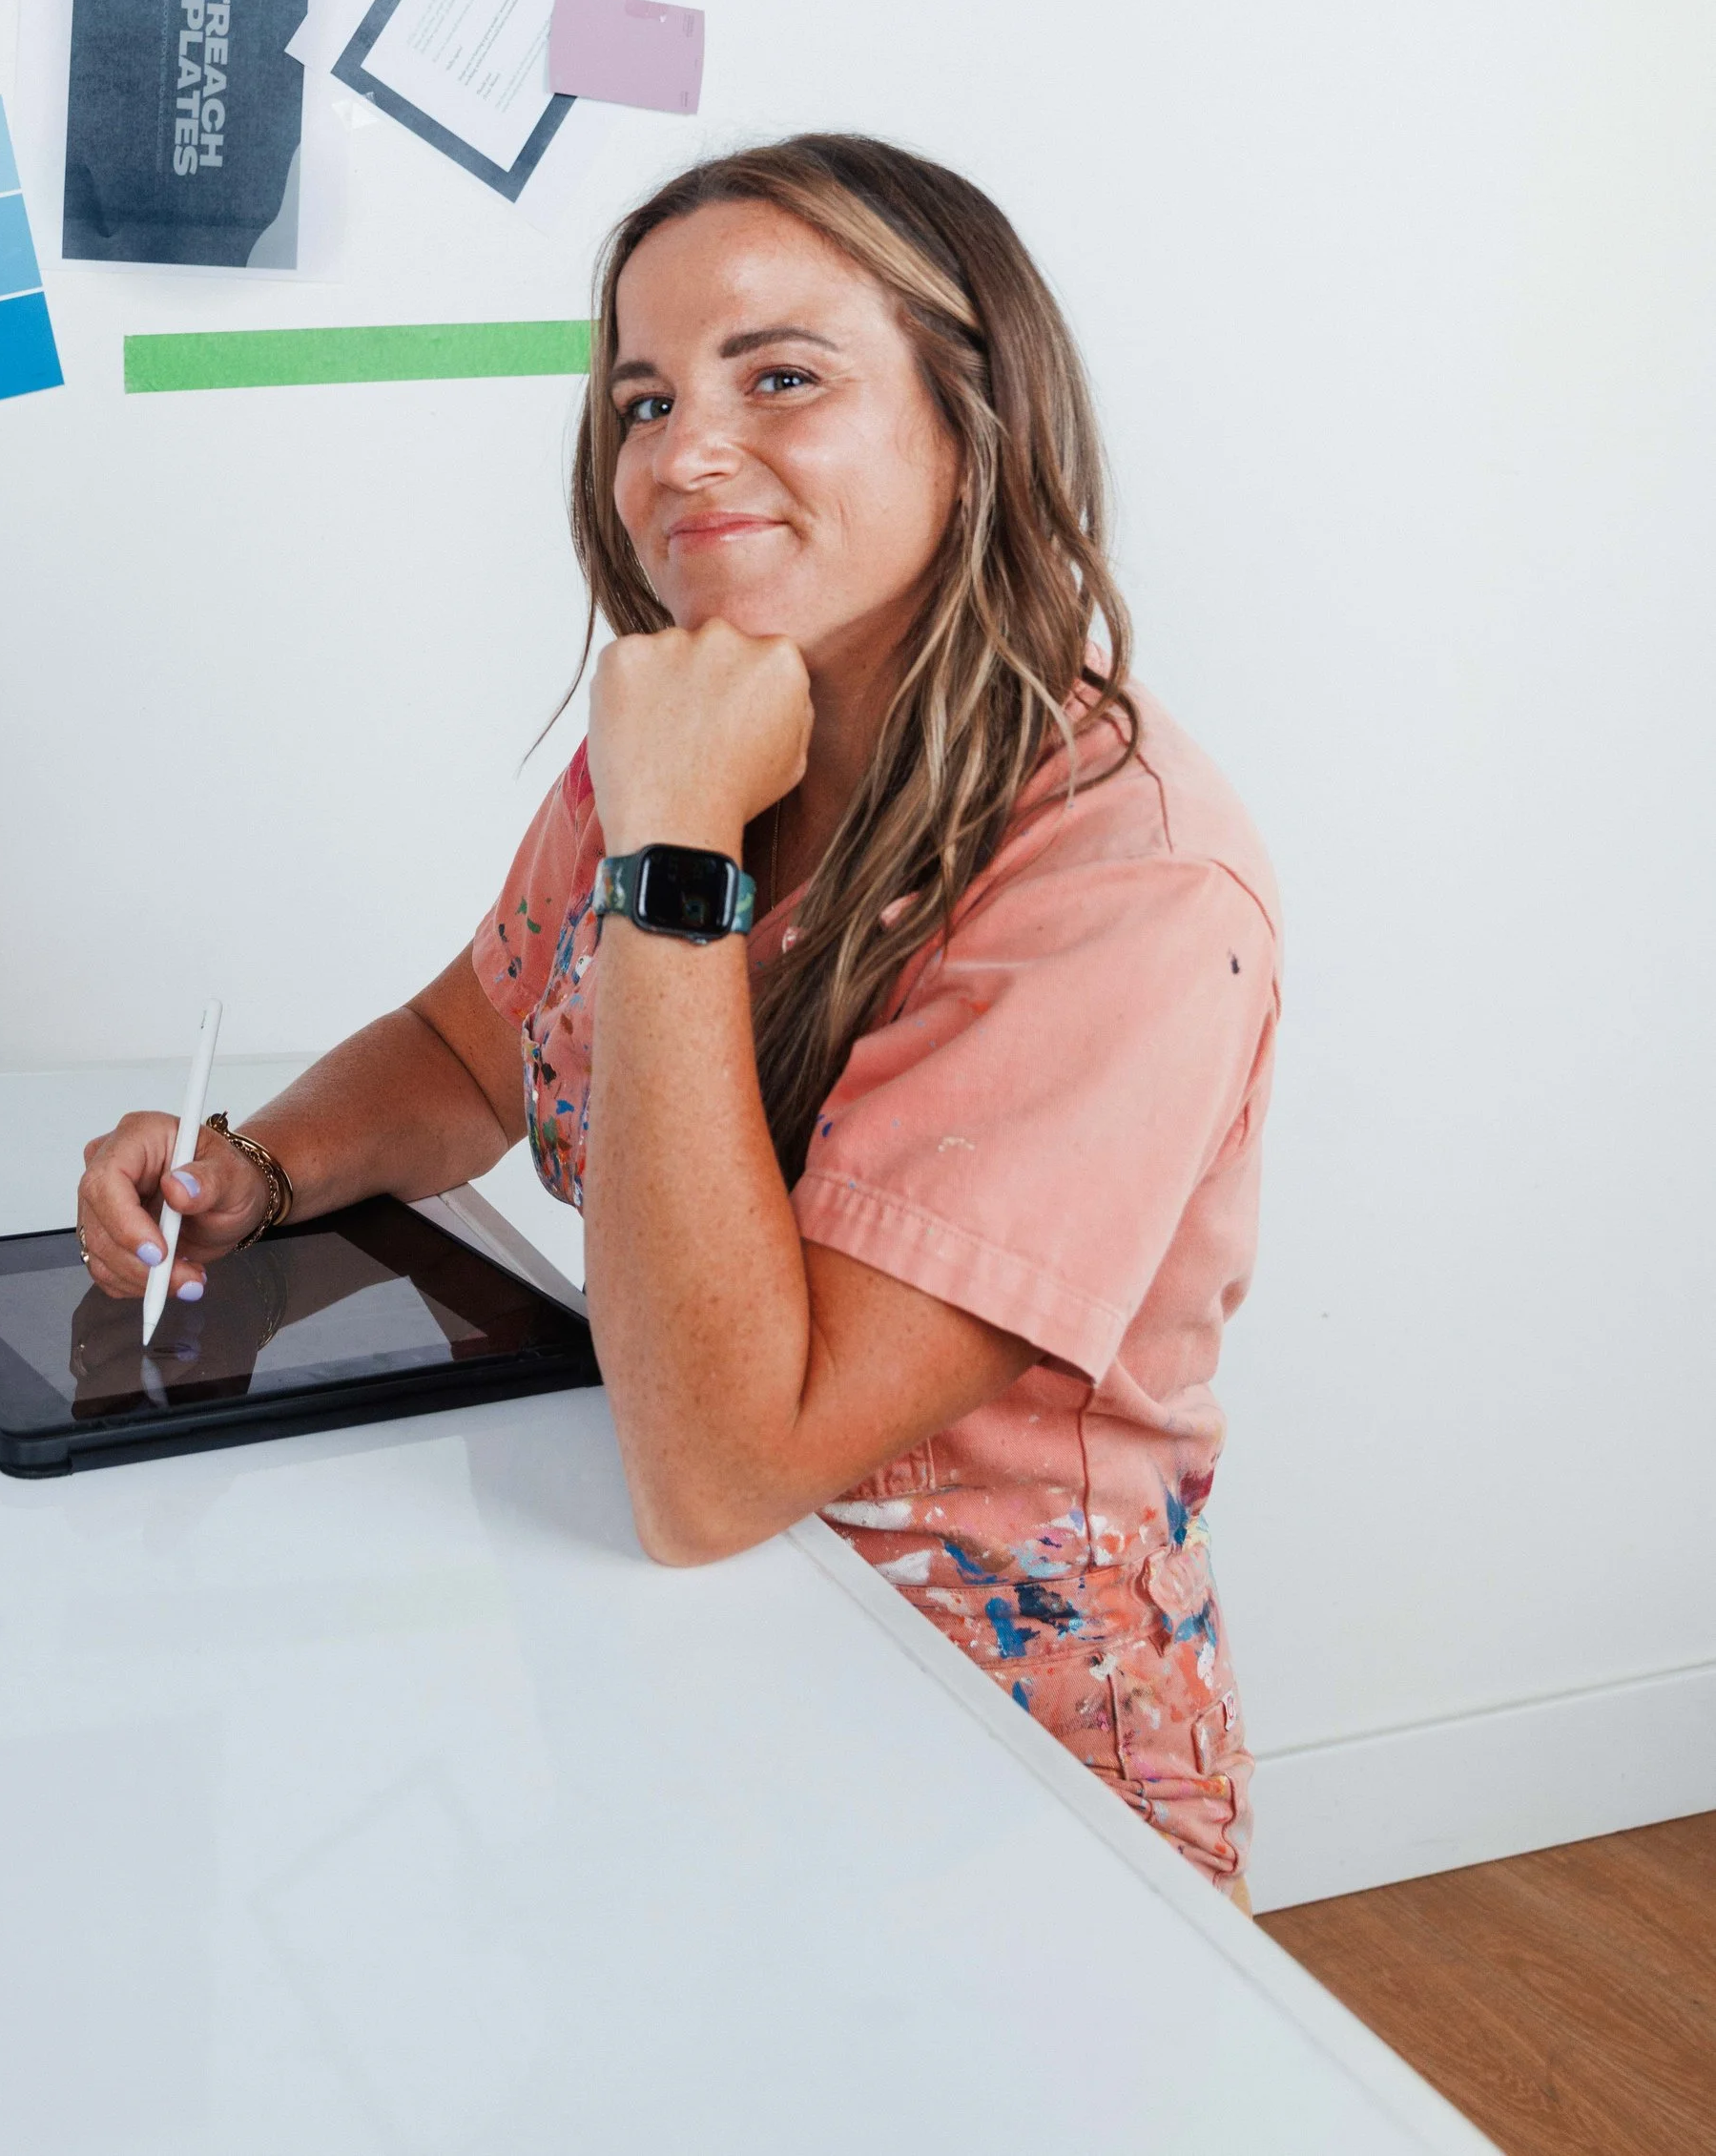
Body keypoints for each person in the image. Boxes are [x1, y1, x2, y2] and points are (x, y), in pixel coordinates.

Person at [79, 135, 1279, 1892]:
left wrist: (675, 854)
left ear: (975, 415)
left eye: (780, 376)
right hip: (666, 1672)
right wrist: (258, 1166)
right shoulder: (689, 735)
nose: (683, 453)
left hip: (996, 1788)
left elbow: (721, 1473)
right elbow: (463, 1047)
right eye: (641, 399)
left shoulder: (1128, 884)